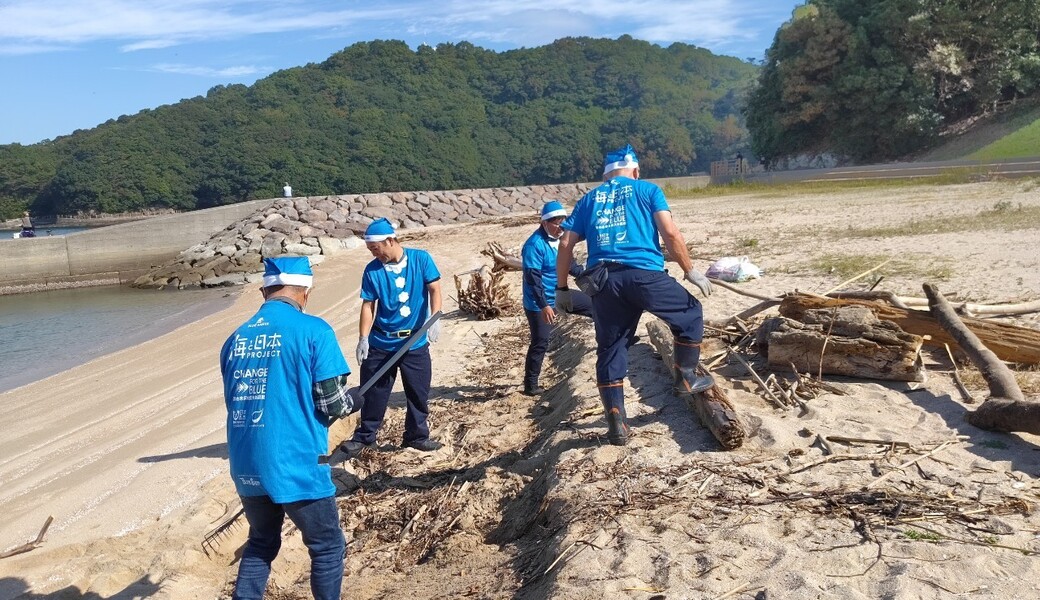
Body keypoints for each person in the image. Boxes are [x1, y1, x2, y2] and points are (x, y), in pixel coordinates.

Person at [555, 144, 714, 446]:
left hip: (603, 282)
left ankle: (617, 424)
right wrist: (689, 270)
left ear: (606, 175)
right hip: (644, 275)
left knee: (611, 348)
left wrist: (561, 288)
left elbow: (565, 245)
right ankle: (686, 376)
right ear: (636, 170)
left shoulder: (589, 199)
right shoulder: (647, 190)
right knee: (690, 312)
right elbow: (669, 233)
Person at [220, 256, 352, 600]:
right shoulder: (314, 330)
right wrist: (353, 403)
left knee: (262, 542)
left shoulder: (235, 338)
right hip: (296, 462)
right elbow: (333, 404)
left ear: (264, 290)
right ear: (306, 291)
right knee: (326, 546)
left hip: (246, 463)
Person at [341, 218, 444, 456]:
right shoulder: (372, 270)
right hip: (381, 343)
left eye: (375, 249)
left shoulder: (421, 259)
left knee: (418, 392)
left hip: (415, 342)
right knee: (373, 392)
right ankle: (366, 437)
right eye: (370, 250)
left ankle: (416, 436)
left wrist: (435, 318)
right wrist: (362, 338)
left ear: (389, 241)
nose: (374, 254)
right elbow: (368, 306)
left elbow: (435, 289)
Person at [520, 200, 594, 396]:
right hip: (538, 301)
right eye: (556, 223)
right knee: (540, 341)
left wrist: (591, 281)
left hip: (560, 293)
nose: (561, 226)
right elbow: (532, 280)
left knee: (596, 307)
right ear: (544, 223)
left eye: (564, 222)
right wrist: (544, 306)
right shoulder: (534, 245)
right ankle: (530, 384)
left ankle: (616, 340)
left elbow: (572, 267)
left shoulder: (563, 240)